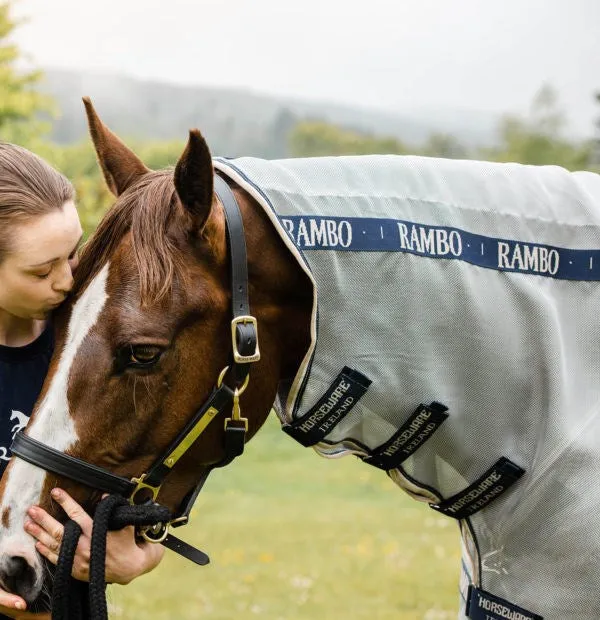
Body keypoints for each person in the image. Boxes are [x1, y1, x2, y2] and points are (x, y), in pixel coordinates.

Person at [0, 142, 164, 617]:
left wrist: (137, 557)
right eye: (40, 270)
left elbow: (149, 504)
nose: (67, 282)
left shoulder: (96, 347)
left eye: (71, 255)